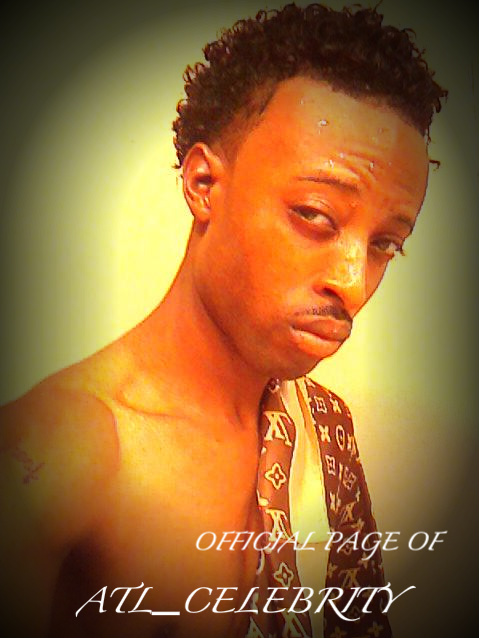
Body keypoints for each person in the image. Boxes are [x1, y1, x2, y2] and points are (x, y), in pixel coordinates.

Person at [0, 4, 446, 638]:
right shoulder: (65, 447)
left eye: (385, 244)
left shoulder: (324, 428)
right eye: (315, 215)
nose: (352, 282)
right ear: (204, 183)